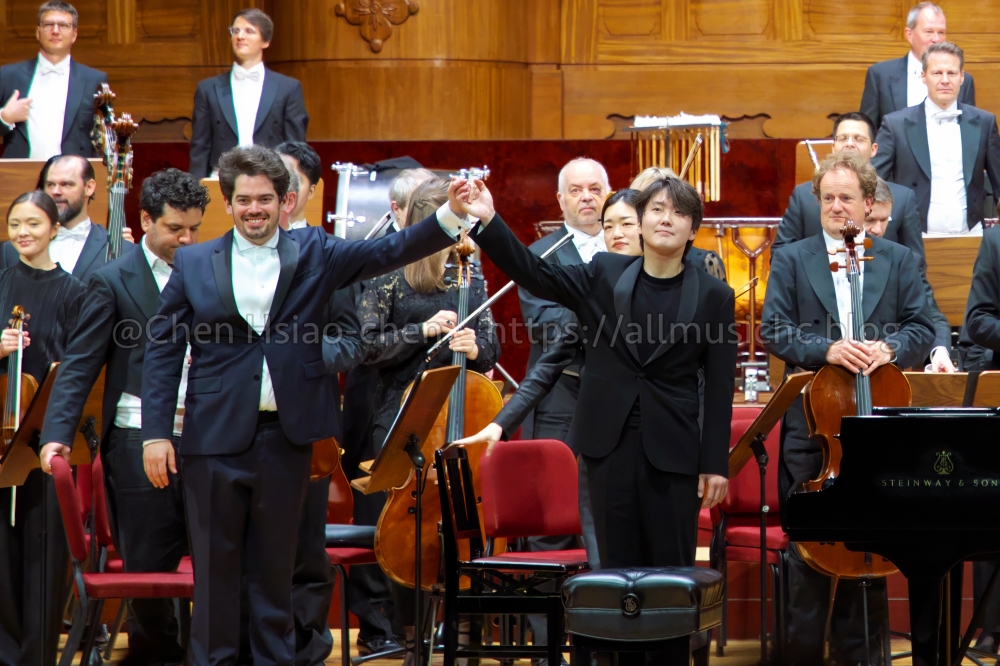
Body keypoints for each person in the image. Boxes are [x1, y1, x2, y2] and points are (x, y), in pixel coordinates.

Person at [136, 145, 463, 666]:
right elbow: (163, 348)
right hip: (211, 440)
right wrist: (155, 433)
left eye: (265, 198)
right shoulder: (195, 261)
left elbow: (388, 252)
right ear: (229, 200)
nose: (255, 209)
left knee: (275, 574)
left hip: (285, 440)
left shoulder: (314, 251)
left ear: (284, 201)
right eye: (244, 199)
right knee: (216, 578)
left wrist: (449, 217)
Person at [457, 174, 734, 571]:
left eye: (679, 213)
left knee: (671, 575)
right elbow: (536, 273)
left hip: (675, 453)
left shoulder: (714, 296)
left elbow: (721, 388)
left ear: (693, 228)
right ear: (641, 221)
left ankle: (671, 638)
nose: (666, 219)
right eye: (656, 209)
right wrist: (488, 220)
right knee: (614, 572)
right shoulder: (602, 272)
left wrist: (714, 465)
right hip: (607, 447)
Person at [760, 153, 934, 664]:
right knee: (807, 565)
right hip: (811, 431)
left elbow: (924, 327)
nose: (838, 207)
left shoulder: (899, 259)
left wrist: (890, 349)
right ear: (818, 202)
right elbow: (774, 330)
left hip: (875, 433)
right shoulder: (791, 257)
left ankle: (867, 659)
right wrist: (826, 349)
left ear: (869, 203)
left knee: (868, 558)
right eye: (828, 198)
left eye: (847, 198)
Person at [37, 169, 207, 665]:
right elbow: (80, 365)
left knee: (217, 560)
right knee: (150, 564)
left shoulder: (209, 270)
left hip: (207, 435)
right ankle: (158, 656)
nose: (187, 239)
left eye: (195, 227)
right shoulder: (111, 280)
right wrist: (57, 434)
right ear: (146, 220)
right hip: (136, 439)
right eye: (176, 228)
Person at [457, 188, 646, 576]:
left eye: (626, 224)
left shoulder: (685, 285)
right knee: (605, 567)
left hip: (657, 452)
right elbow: (549, 364)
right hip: (603, 452)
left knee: (656, 570)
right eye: (608, 226)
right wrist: (498, 425)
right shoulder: (597, 289)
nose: (615, 234)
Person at [0, 190, 86, 664]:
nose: (23, 233)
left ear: (54, 228)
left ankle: (36, 655)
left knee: (42, 550)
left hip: (44, 440)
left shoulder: (75, 293)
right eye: (15, 224)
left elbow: (76, 369)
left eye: (33, 223)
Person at [872, 42, 1000, 234]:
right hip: (914, 234)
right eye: (937, 73)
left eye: (952, 73)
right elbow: (874, 181)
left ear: (962, 77)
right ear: (923, 76)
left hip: (971, 232)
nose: (945, 80)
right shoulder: (895, 124)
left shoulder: (984, 122)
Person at [773, 112, 923, 258]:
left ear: (873, 149)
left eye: (859, 139)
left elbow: (914, 262)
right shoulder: (803, 196)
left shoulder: (903, 198)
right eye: (843, 138)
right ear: (833, 146)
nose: (850, 144)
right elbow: (781, 253)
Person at [188, 8, 308, 178]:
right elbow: (200, 148)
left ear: (265, 41)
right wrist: (195, 193)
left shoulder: (288, 88)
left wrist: (294, 188)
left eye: (249, 31)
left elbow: (295, 148)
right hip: (222, 179)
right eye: (235, 31)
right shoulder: (207, 89)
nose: (240, 36)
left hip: (271, 180)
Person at [866, 177, 954, 372]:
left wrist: (938, 351)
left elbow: (929, 313)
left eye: (884, 220)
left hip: (887, 369)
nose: (878, 230)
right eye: (870, 220)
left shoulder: (903, 260)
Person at [0, 1, 107, 159]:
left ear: (74, 34)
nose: (55, 31)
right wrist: (5, 117)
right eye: (49, 24)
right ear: (38, 32)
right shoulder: (8, 75)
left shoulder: (94, 80)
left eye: (63, 25)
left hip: (72, 177)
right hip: (20, 175)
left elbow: (101, 139)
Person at [0, 154, 136, 278]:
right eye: (50, 184)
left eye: (66, 184)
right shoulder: (10, 251)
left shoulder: (121, 249)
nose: (56, 191)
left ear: (89, 187)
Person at [860, 2, 974, 131]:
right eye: (929, 31)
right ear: (909, 34)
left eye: (941, 32)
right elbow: (867, 130)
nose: (936, 39)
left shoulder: (963, 80)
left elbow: (969, 129)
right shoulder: (880, 75)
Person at [276, 141, 321, 230]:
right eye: (276, 178)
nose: (283, 188)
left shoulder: (322, 243)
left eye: (293, 181)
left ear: (310, 192)